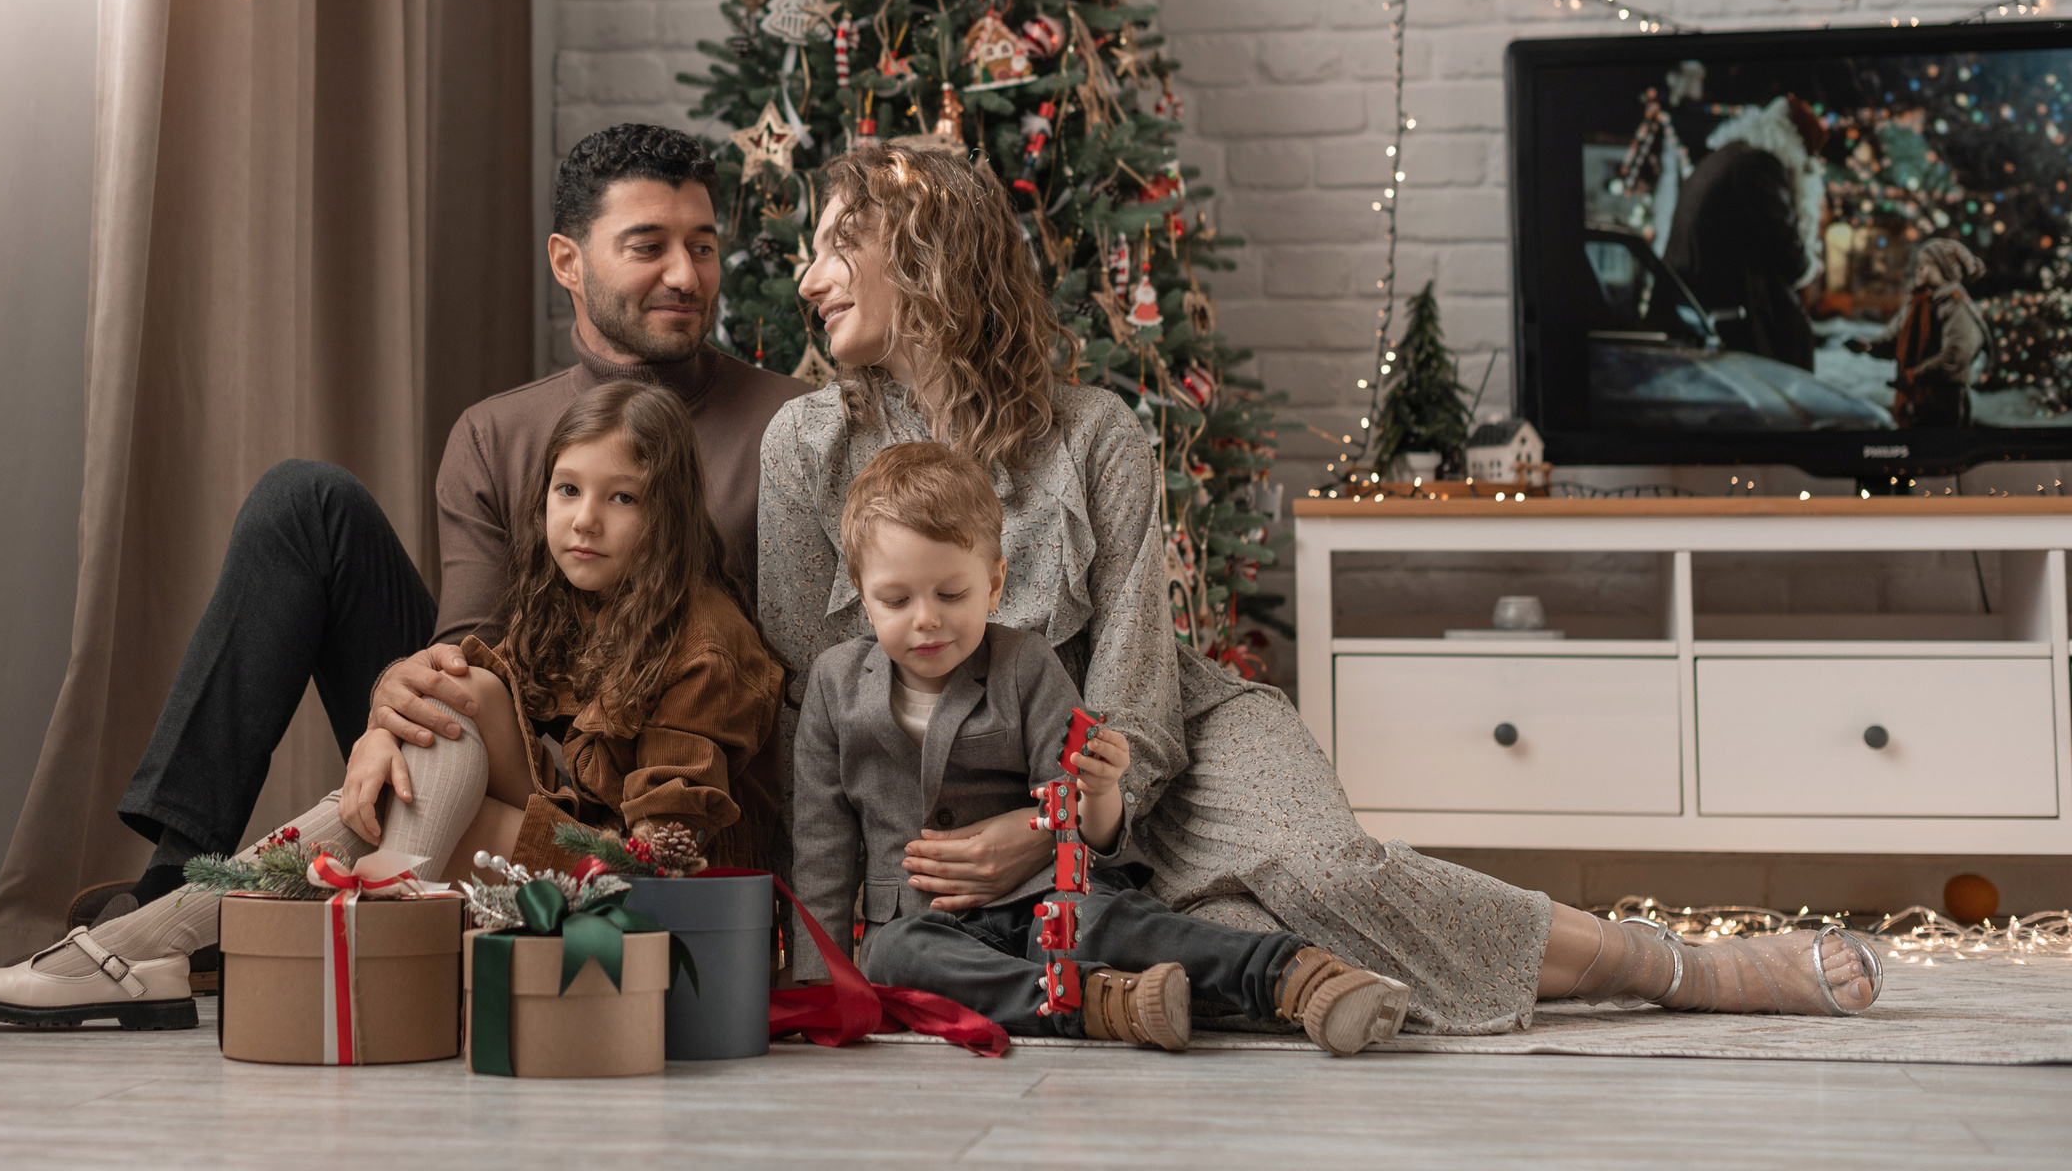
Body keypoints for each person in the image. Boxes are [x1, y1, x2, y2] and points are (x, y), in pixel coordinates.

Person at [759, 144, 1881, 1034]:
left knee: (1323, 868)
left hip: (1152, 744)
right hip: (948, 801)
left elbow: (1137, 680)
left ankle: (1680, 967)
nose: (805, 281)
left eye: (833, 247)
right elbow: (814, 699)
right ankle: (1285, 977)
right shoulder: (805, 447)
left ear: (927, 253)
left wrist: (1052, 825)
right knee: (1246, 934)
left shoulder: (1095, 434)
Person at [0, 127, 802, 985]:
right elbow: (475, 654)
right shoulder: (497, 432)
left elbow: (795, 690)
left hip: (660, 800)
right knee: (306, 504)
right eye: (649, 246)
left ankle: (210, 945)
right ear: (568, 260)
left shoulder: (791, 428)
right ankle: (176, 881)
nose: (686, 275)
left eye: (703, 248)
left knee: (452, 725)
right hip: (519, 742)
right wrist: (388, 710)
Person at [0, 380, 782, 1026]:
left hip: (625, 892)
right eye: (567, 492)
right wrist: (389, 725)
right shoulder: (569, 599)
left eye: (621, 498)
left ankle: (139, 950)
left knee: (438, 745)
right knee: (449, 704)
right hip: (524, 849)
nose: (584, 523)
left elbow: (661, 868)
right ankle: (309, 959)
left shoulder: (704, 645)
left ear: (667, 514)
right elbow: (478, 692)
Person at [794, 441, 1413, 1054]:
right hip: (920, 921)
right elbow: (822, 843)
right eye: (896, 601)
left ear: (994, 583)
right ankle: (1101, 1004)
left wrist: (1102, 790)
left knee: (1101, 921)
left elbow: (1083, 830)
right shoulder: (834, 683)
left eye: (951, 595)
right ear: (859, 590)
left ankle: (1294, 976)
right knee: (897, 957)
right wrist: (817, 982)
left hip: (1045, 893)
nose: (925, 619)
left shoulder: (1023, 666)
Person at [1666, 95, 1831, 371]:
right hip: (1737, 328)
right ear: (1796, 147)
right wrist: (1807, 237)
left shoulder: (1724, 157)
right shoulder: (1760, 167)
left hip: (1699, 311)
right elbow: (1791, 260)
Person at [1875, 239, 1990, 427]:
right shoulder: (1916, 305)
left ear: (1946, 272)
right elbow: (1894, 340)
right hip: (1915, 400)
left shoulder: (1956, 307)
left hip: (1943, 402)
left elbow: (1955, 356)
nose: (1919, 268)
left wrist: (1914, 375)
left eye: (1927, 264)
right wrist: (1870, 346)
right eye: (1919, 263)